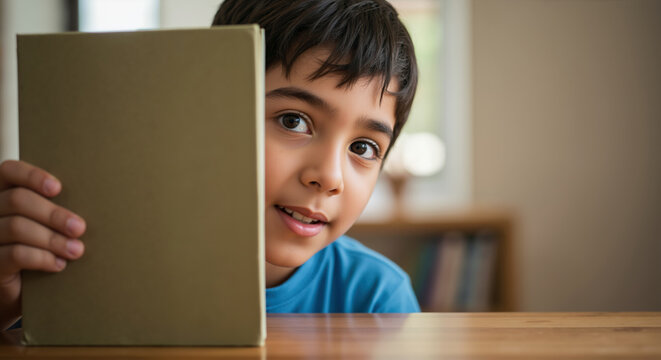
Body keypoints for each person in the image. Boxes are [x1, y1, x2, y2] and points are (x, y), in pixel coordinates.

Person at [0, 0, 419, 329]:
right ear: (209, 108)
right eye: (294, 121)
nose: (328, 177)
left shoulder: (378, 300)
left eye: (363, 148)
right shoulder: (93, 268)